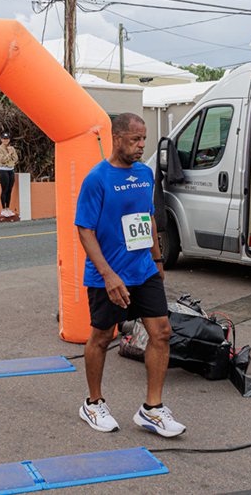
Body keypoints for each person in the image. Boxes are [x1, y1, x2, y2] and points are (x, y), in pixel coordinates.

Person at [74, 112, 186, 438]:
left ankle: (151, 409)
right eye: (135, 140)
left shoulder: (144, 173)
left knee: (162, 332)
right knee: (101, 337)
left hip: (143, 270)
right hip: (107, 274)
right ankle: (93, 403)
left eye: (144, 140)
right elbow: (84, 230)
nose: (141, 146)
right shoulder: (97, 178)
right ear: (118, 137)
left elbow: (148, 218)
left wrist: (158, 259)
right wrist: (108, 275)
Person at [0, 132, 18, 217]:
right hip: (3, 170)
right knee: (4, 189)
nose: (6, 140)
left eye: (7, 139)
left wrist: (11, 152)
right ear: (1, 139)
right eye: (4, 139)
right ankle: (3, 209)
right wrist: (9, 154)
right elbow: (2, 160)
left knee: (9, 190)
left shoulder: (11, 148)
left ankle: (8, 208)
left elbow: (16, 158)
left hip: (11, 169)